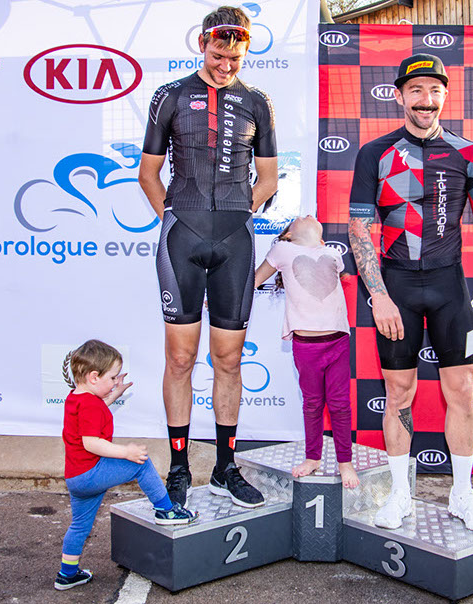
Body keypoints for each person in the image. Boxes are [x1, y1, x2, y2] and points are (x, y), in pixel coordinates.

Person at [347, 54, 473, 531]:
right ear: (399, 96)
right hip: (396, 287)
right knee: (399, 391)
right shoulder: (375, 153)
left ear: (445, 95)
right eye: (416, 90)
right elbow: (359, 229)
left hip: (449, 287)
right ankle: (401, 495)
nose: (426, 100)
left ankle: (462, 494)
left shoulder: (467, 152)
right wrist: (378, 296)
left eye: (435, 90)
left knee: (461, 389)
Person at [138, 5, 279, 509]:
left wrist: (240, 214)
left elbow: (268, 177)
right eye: (218, 55)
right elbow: (148, 173)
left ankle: (225, 467)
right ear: (202, 44)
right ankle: (179, 468)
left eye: (235, 58)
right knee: (180, 358)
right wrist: (175, 218)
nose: (225, 65)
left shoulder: (257, 102)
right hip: (183, 237)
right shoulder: (171, 95)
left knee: (229, 359)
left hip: (235, 242)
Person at [55, 340, 199, 591]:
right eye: (112, 378)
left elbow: (94, 413)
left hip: (76, 478)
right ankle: (166, 511)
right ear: (93, 377)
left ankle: (67, 574)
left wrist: (114, 394)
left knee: (79, 526)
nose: (115, 382)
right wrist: (126, 452)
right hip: (91, 473)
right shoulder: (90, 404)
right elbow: (91, 443)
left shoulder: (76, 398)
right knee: (140, 464)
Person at [254, 216, 360, 488]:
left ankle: (345, 462)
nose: (306, 215)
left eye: (309, 216)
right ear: (289, 235)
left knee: (340, 405)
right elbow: (253, 280)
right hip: (306, 347)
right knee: (312, 404)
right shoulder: (282, 250)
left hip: (338, 342)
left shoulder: (332, 253)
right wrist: (221, 300)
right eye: (298, 218)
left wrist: (319, 246)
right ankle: (313, 458)